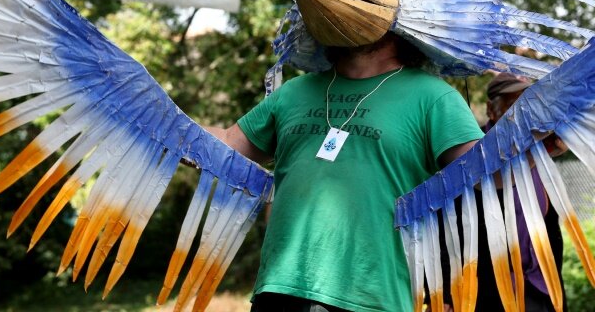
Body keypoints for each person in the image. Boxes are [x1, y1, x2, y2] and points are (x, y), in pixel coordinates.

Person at [207, 32, 484, 312]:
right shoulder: (294, 91)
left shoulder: (434, 97)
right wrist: (176, 128)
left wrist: (515, 128)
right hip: (280, 290)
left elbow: (487, 174)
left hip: (372, 298)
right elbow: (228, 142)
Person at [475, 73, 568, 312]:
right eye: (513, 106)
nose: (522, 115)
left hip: (540, 288)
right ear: (491, 109)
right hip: (492, 292)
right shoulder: (472, 153)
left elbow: (550, 225)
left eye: (528, 106)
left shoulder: (539, 150)